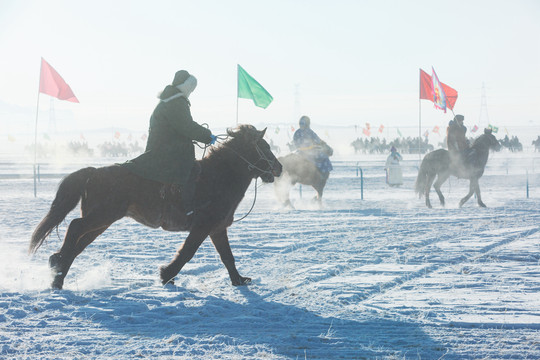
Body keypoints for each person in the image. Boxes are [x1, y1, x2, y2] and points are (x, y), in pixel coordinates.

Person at [123, 70, 216, 216]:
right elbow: (186, 126)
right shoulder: (176, 102)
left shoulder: (168, 99)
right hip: (169, 150)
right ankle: (186, 208)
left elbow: (184, 125)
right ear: (186, 86)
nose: (191, 91)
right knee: (193, 169)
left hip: (161, 147)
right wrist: (207, 136)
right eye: (191, 88)